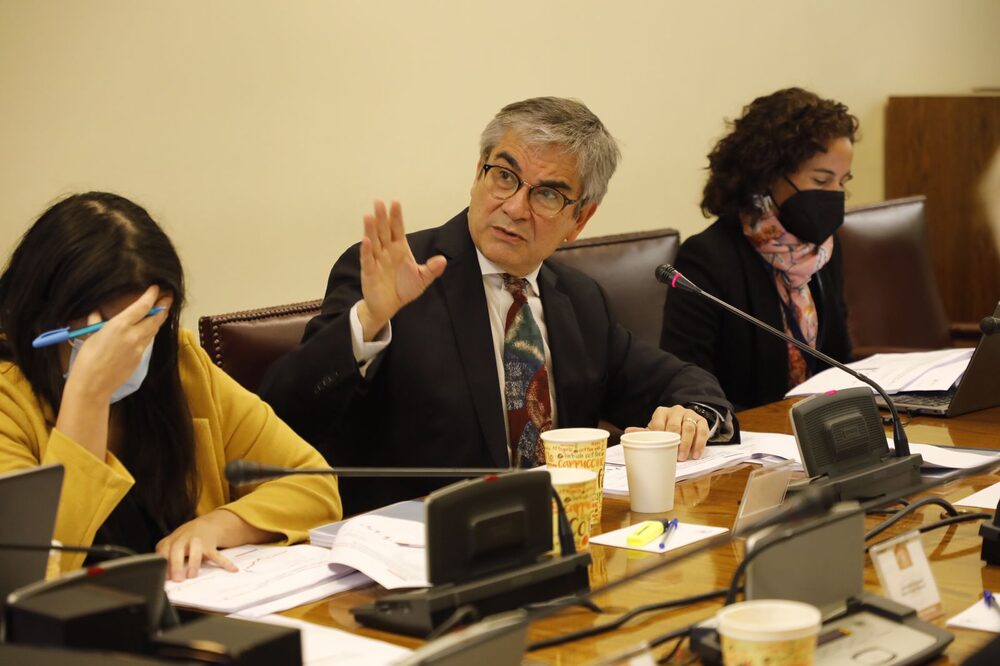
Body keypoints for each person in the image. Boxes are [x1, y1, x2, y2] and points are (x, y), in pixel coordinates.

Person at [261, 96, 736, 516]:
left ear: (580, 218)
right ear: (478, 174)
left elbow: (683, 381)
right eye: (505, 176)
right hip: (418, 554)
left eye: (548, 193)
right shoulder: (395, 277)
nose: (514, 206)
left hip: (559, 540)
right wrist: (369, 321)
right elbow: (286, 413)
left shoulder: (578, 300)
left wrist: (692, 413)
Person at [0, 192, 342, 580]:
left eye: (148, 323)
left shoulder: (176, 362)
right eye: (113, 330)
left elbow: (313, 484)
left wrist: (218, 525)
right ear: (44, 319)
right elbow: (35, 571)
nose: (134, 348)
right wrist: (88, 395)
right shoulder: (8, 397)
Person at [660, 88, 859, 410]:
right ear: (768, 175)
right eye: (822, 181)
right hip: (750, 442)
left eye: (843, 181)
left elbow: (840, 361)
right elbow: (688, 385)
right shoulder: (708, 259)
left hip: (823, 433)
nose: (836, 195)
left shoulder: (822, 252)